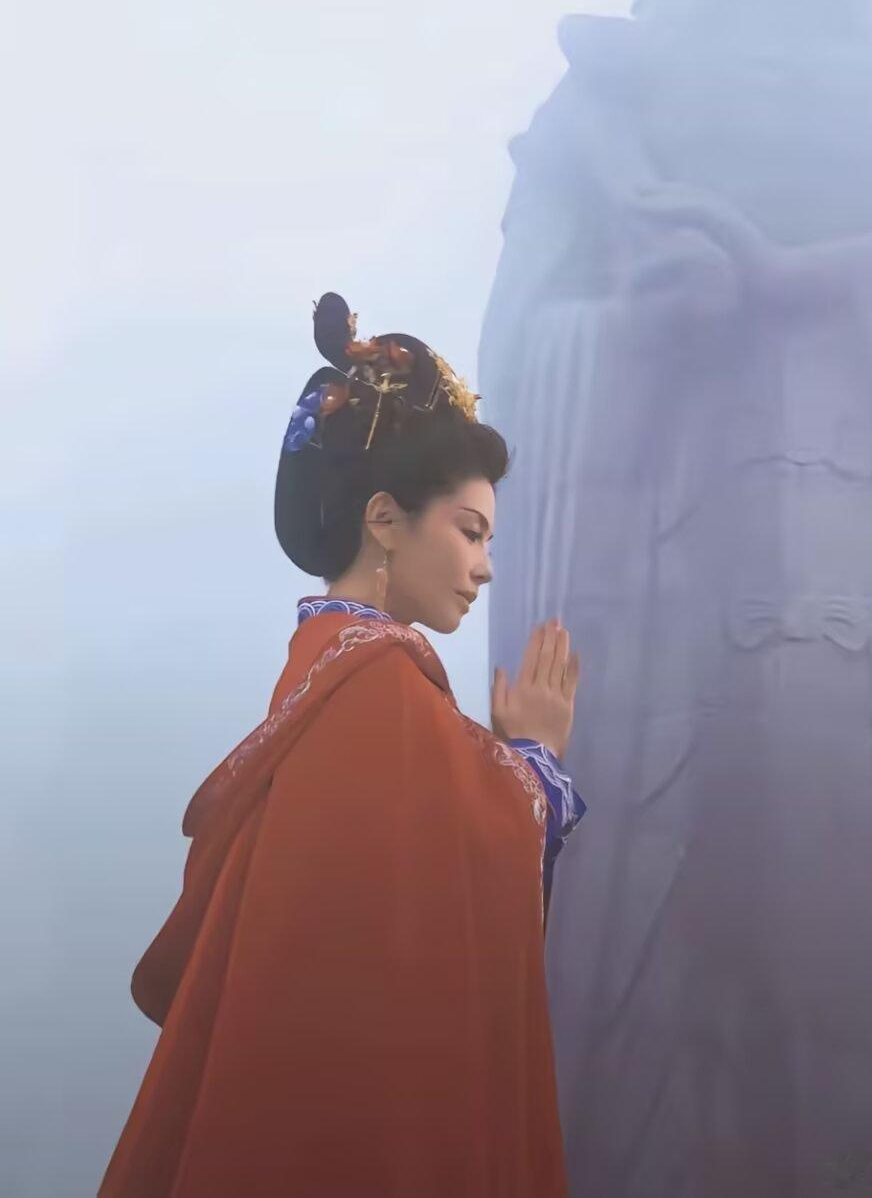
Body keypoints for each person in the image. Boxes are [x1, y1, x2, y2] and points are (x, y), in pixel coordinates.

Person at [99, 291, 585, 1197]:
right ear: (385, 520)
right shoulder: (375, 690)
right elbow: (472, 865)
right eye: (470, 531)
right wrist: (536, 760)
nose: (485, 567)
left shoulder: (329, 676)